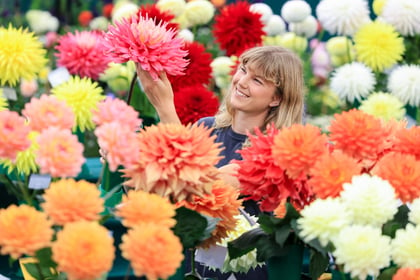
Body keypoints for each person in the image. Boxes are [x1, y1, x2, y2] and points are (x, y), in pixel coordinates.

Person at [136, 45, 306, 280]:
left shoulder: (274, 148)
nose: (242, 81)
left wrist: (165, 108)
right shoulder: (206, 127)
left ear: (276, 99)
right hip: (194, 267)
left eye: (257, 80)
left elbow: (201, 190)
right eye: (243, 69)